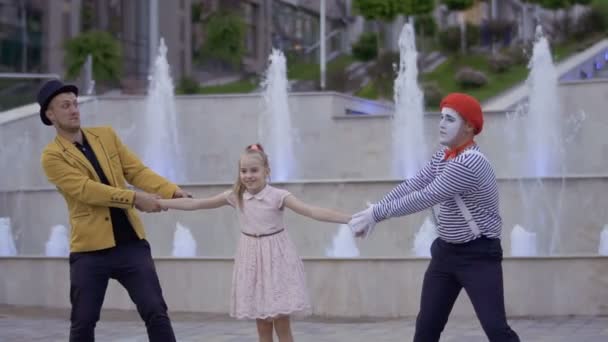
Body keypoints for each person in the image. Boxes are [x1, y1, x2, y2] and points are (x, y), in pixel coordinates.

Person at [349, 93, 520, 342]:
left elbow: (427, 196)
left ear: (470, 127)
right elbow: (415, 184)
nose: (441, 124)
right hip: (446, 254)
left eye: (450, 119)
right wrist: (376, 211)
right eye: (441, 118)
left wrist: (376, 213)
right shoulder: (443, 155)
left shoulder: (470, 162)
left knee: (496, 330)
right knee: (427, 328)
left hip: (479, 255)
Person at [38, 79, 190, 342]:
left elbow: (135, 170)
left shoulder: (105, 135)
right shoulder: (52, 156)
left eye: (75, 104)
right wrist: (134, 198)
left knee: (156, 311)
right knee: (83, 323)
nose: (74, 110)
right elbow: (87, 190)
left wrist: (170, 190)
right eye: (65, 106)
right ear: (50, 115)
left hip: (131, 244)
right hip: (89, 251)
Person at [159, 143, 351, 342]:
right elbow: (196, 204)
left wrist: (349, 219)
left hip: (277, 260)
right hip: (252, 262)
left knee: (282, 324)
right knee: (263, 326)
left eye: (254, 170)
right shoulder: (235, 197)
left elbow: (311, 211)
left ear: (266, 171)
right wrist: (160, 203)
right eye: (243, 171)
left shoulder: (278, 196)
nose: (248, 175)